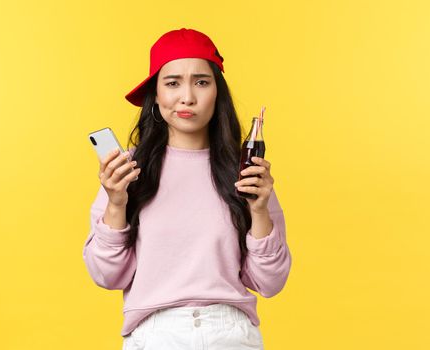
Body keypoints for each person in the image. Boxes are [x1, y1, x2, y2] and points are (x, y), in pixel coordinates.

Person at [82, 28, 292, 350]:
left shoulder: (244, 171)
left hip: (231, 334)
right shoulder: (128, 170)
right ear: (156, 94)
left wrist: (260, 211)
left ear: (217, 93)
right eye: (172, 82)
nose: (187, 97)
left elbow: (270, 282)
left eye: (201, 82)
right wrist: (115, 204)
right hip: (154, 335)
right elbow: (107, 276)